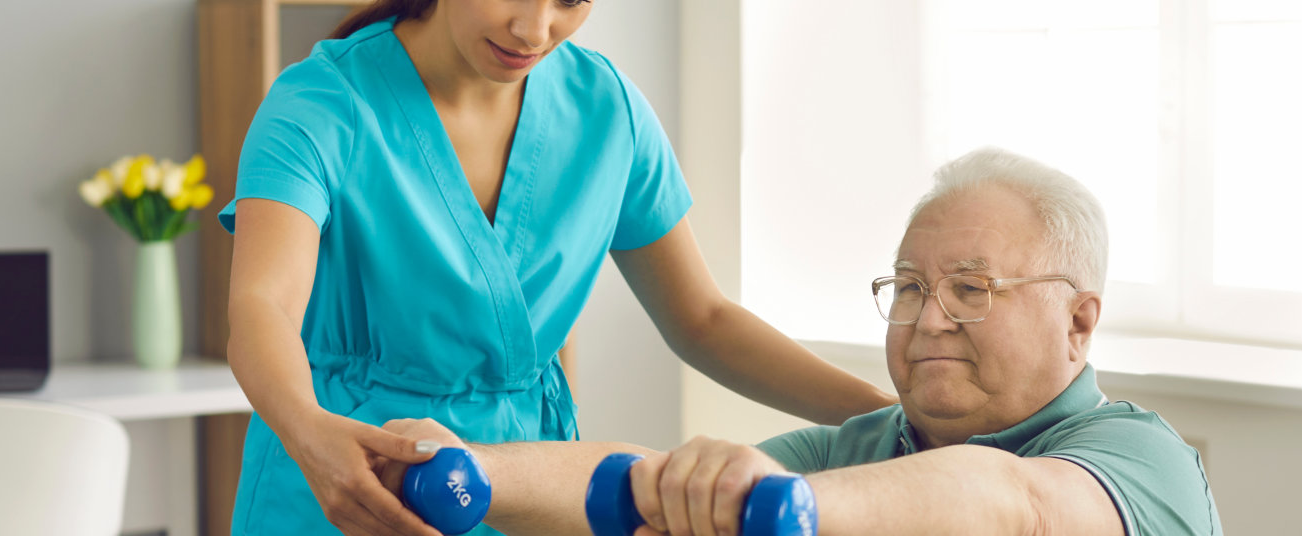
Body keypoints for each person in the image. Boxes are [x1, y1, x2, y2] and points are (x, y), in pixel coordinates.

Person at [218, 0, 896, 533]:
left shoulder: (607, 111)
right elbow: (263, 305)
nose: (533, 30)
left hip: (534, 490)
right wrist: (308, 435)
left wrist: (890, 422)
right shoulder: (321, 104)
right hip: (351, 481)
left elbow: (705, 319)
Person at [383, 148, 1223, 536]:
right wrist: (477, 471)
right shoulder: (849, 449)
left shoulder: (1137, 460)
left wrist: (801, 507)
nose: (929, 319)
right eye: (910, 289)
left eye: (972, 290)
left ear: (1079, 321)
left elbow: (1013, 505)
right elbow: (649, 485)